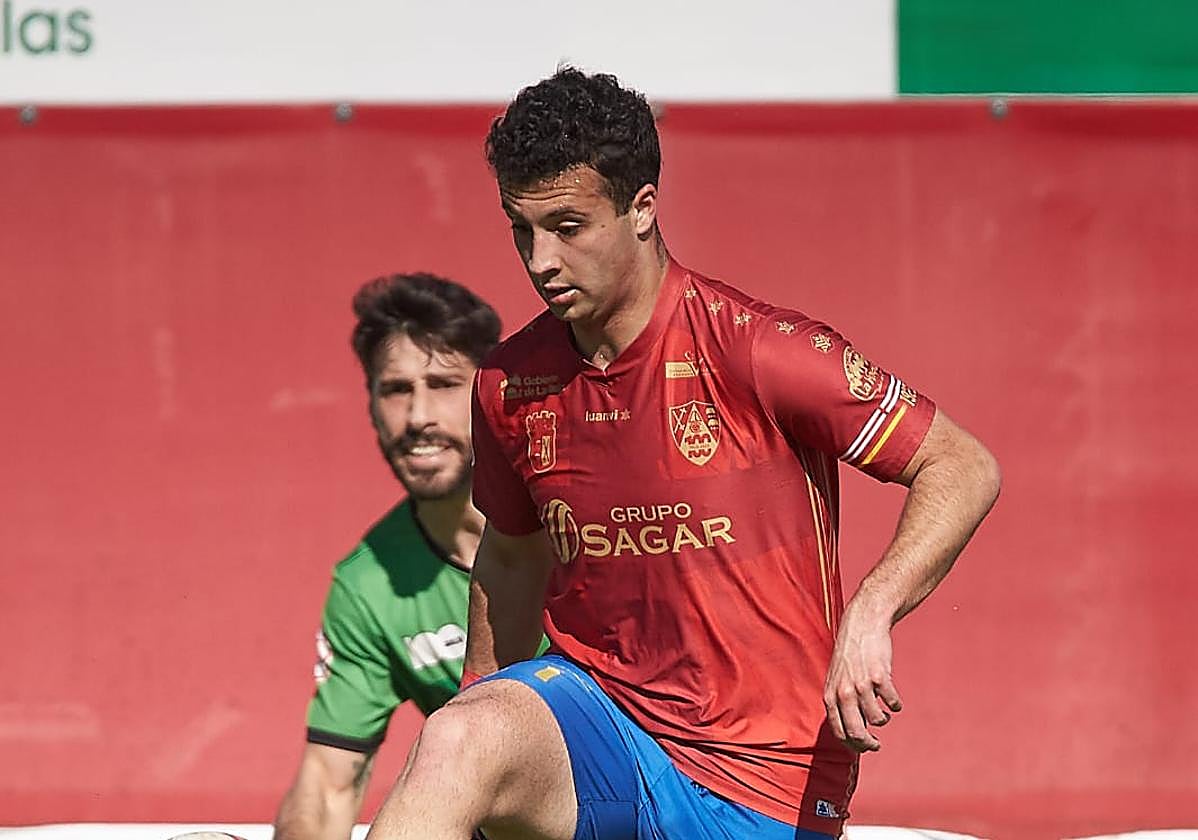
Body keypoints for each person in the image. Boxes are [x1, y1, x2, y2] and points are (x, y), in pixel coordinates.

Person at [366, 69, 1002, 840]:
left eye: (567, 226)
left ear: (642, 208)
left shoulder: (761, 350)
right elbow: (510, 560)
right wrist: (469, 742)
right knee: (459, 737)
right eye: (520, 229)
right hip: (598, 723)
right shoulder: (507, 381)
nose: (539, 262)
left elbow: (962, 465)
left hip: (761, 779)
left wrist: (873, 609)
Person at [273, 273, 505, 840]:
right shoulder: (369, 582)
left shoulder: (575, 518)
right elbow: (328, 784)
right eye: (396, 389)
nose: (419, 416)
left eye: (445, 384)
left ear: (492, 391)